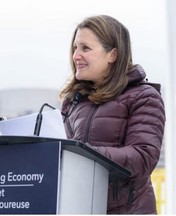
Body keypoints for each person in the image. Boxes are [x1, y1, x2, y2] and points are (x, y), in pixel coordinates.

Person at [60, 15, 165, 214]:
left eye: (85, 48)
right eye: (75, 48)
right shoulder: (73, 101)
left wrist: (85, 154)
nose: (76, 56)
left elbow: (143, 157)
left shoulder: (144, 97)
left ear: (112, 55)